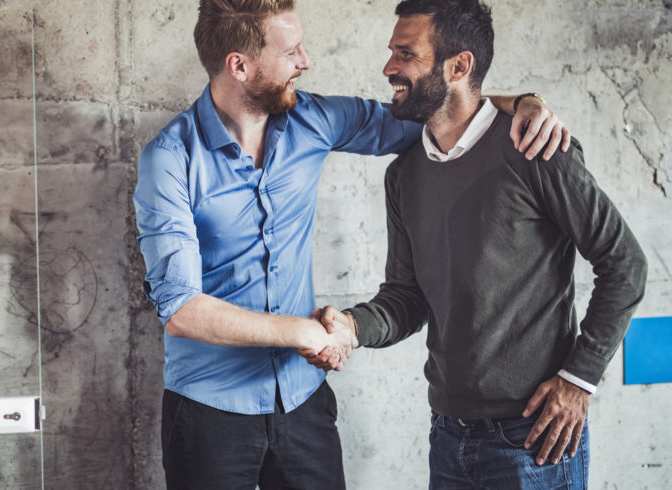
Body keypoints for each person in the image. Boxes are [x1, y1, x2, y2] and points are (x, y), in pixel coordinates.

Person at [134, 0, 570, 488]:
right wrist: (302, 334)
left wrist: (524, 101)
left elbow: (438, 109)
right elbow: (181, 311)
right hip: (209, 410)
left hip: (303, 403)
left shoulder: (313, 119)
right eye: (292, 50)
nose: (306, 61)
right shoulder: (169, 159)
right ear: (240, 65)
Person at [302, 0, 648, 488]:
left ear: (459, 66)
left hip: (535, 439)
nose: (388, 68)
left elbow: (626, 263)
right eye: (392, 52)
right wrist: (352, 327)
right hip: (447, 435)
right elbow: (407, 296)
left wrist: (579, 380)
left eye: (406, 54)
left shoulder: (535, 148)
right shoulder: (404, 175)